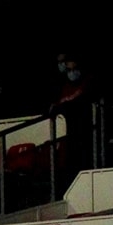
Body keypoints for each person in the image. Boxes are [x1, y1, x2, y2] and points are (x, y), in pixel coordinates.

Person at [46, 52, 93, 192]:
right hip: (67, 132)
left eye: (73, 69)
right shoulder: (63, 84)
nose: (71, 72)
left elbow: (79, 98)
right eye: (69, 69)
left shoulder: (87, 80)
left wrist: (64, 103)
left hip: (83, 129)